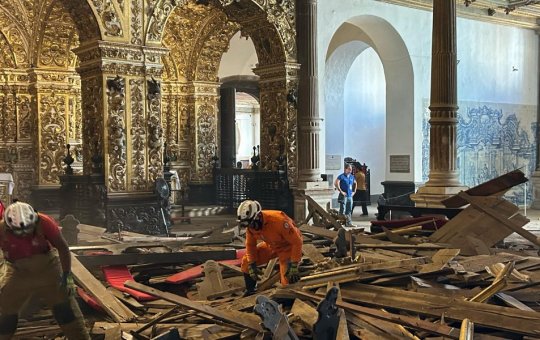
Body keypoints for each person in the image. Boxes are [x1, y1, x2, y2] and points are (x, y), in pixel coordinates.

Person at [0, 202, 90, 340]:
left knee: (64, 308)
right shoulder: (1, 229)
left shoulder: (44, 222)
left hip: (48, 268)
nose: (23, 235)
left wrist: (66, 276)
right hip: (18, 271)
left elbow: (63, 247)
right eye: (18, 232)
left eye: (27, 231)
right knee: (5, 311)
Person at [237, 200, 303, 296]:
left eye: (251, 224)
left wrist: (294, 264)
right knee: (246, 262)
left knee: (287, 279)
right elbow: (250, 245)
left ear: (258, 217)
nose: (251, 227)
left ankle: (288, 300)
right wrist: (252, 263)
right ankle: (251, 290)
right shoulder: (250, 226)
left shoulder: (279, 221)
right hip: (271, 244)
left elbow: (297, 242)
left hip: (287, 247)